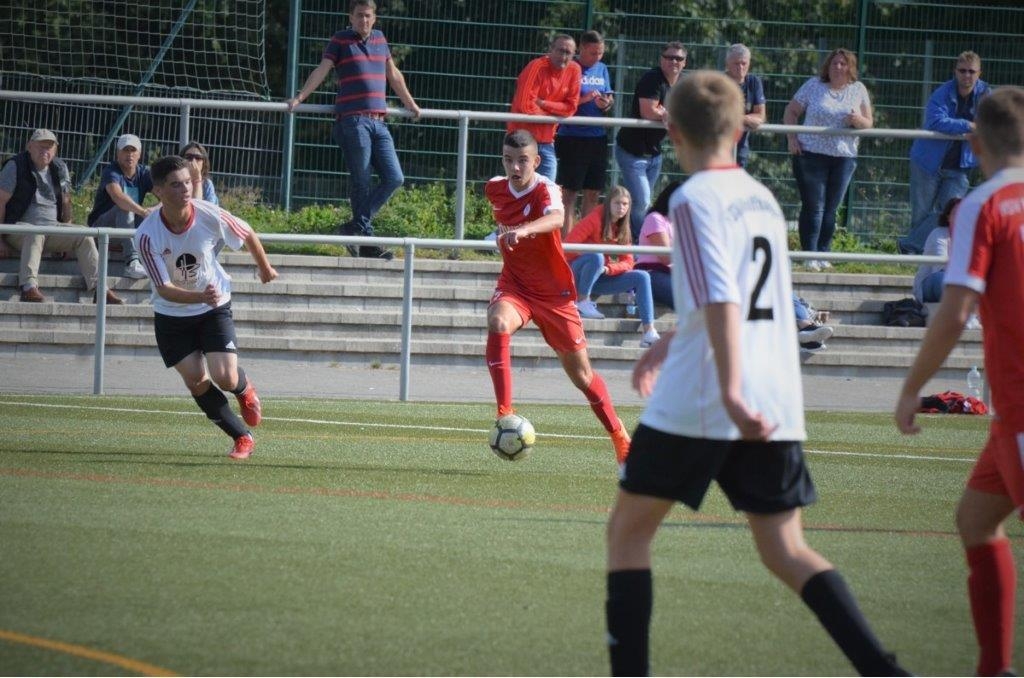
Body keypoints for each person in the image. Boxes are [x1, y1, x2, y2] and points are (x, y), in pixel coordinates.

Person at [605, 70, 908, 676]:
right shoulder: (763, 198)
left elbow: (723, 300)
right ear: (740, 128)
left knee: (628, 534)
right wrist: (676, 342)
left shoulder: (692, 199)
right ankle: (885, 670)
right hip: (773, 392)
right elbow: (743, 297)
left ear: (671, 129)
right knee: (785, 549)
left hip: (709, 395)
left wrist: (729, 392)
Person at [895, 87, 1024, 677]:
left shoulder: (982, 204)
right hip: (1008, 415)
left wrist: (911, 387)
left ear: (974, 141)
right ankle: (993, 669)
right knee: (976, 519)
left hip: (1021, 403)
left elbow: (955, 310)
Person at [484, 129, 632, 465]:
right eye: (509, 160)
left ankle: (619, 435)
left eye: (523, 160)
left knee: (582, 377)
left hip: (555, 295)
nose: (515, 167)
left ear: (537, 161)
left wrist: (524, 230)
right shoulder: (494, 188)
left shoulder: (545, 189)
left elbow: (557, 217)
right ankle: (505, 413)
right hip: (516, 286)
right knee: (498, 322)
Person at [134, 155, 278, 460]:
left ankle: (244, 389)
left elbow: (246, 232)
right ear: (158, 191)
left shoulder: (209, 214)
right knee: (196, 380)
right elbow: (163, 288)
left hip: (214, 308)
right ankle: (242, 437)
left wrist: (264, 268)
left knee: (225, 377)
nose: (185, 189)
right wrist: (200, 296)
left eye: (188, 182)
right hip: (171, 314)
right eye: (176, 184)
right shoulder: (146, 235)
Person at [287, 0, 421, 261]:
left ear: (375, 18)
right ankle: (365, 239)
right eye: (359, 16)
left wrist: (411, 104)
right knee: (361, 180)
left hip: (379, 121)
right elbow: (322, 70)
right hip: (353, 120)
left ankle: (355, 229)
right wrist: (300, 98)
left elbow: (393, 75)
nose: (364, 21)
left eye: (368, 16)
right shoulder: (340, 39)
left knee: (395, 177)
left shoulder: (380, 39)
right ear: (351, 17)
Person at [0, 129, 123, 305]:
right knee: (35, 232)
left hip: (52, 228)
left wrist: (67, 231)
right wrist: (0, 239)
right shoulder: (15, 166)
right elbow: (1, 201)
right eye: (40, 146)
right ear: (29, 147)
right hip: (18, 227)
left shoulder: (59, 167)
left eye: (49, 147)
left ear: (55, 150)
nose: (45, 151)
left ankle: (100, 289)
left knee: (84, 234)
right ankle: (28, 287)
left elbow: (66, 202)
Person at [783, 48, 873, 272]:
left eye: (843, 63)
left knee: (831, 209)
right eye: (834, 63)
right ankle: (809, 255)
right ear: (828, 66)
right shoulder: (814, 85)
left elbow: (868, 123)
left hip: (844, 157)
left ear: (850, 67)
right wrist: (792, 138)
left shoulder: (858, 89)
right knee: (814, 206)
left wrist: (857, 120)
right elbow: (791, 111)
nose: (838, 67)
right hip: (811, 154)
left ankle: (824, 252)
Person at [899, 51, 990, 255]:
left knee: (949, 212)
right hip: (927, 163)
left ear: (979, 73)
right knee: (921, 214)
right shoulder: (942, 93)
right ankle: (918, 256)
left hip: (960, 167)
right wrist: (968, 125)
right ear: (955, 72)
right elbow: (935, 121)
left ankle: (909, 246)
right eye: (962, 71)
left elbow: (991, 122)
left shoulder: (986, 95)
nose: (967, 75)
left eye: (971, 71)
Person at [563, 186, 660, 347]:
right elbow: (567, 247)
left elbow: (628, 262)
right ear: (608, 204)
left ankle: (649, 331)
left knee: (642, 276)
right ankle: (582, 301)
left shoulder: (623, 226)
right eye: (617, 203)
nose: (621, 208)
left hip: (599, 277)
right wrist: (595, 259)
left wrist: (608, 269)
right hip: (575, 275)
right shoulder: (594, 218)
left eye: (625, 204)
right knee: (596, 256)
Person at [615, 41, 687, 241]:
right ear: (661, 60)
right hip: (632, 151)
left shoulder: (683, 83)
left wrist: (668, 113)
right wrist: (669, 114)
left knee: (638, 202)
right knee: (643, 202)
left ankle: (626, 240)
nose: (674, 61)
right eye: (669, 57)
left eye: (678, 58)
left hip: (655, 153)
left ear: (684, 62)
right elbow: (648, 111)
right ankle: (640, 245)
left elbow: (689, 110)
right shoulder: (652, 78)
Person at [554, 30, 614, 234]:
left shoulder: (602, 68)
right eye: (593, 53)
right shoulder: (570, 68)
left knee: (593, 192)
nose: (597, 57)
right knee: (569, 193)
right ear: (581, 49)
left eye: (600, 53)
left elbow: (609, 97)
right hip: (572, 137)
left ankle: (585, 240)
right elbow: (560, 103)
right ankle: (566, 242)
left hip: (597, 137)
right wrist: (585, 99)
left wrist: (606, 103)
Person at [507, 34, 582, 182]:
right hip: (521, 140)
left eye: (568, 52)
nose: (563, 56)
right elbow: (525, 106)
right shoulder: (536, 66)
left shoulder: (575, 70)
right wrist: (554, 114)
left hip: (547, 141)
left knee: (547, 191)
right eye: (560, 50)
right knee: (519, 189)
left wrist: (543, 104)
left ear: (574, 54)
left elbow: (571, 108)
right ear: (551, 49)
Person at [87, 133, 154, 280]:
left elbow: (166, 197)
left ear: (139, 154)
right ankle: (132, 262)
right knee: (124, 208)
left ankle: (157, 259)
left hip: (129, 228)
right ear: (118, 153)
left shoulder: (144, 173)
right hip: (102, 227)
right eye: (125, 150)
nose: (129, 154)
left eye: (133, 150)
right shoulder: (111, 171)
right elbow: (118, 196)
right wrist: (143, 211)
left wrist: (154, 211)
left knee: (157, 215)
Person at [634, 180, 681, 310]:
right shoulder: (655, 218)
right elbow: (666, 257)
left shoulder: (680, 222)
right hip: (652, 273)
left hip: (673, 274)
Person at [723, 43, 766, 168]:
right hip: (718, 143)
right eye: (736, 63)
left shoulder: (754, 82)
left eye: (744, 63)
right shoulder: (719, 82)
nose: (740, 67)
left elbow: (760, 116)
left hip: (741, 144)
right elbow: (718, 116)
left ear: (749, 63)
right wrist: (748, 119)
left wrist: (739, 118)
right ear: (727, 64)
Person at [912, 197, 959, 304]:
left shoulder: (971, 237)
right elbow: (942, 266)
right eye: (957, 213)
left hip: (958, 281)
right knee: (945, 280)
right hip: (932, 281)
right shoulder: (938, 234)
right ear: (948, 216)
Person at [180, 141, 219, 205]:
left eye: (198, 158)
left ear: (203, 163)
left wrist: (197, 179)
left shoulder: (206, 184)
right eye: (188, 157)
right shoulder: (176, 182)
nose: (193, 161)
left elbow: (200, 209)